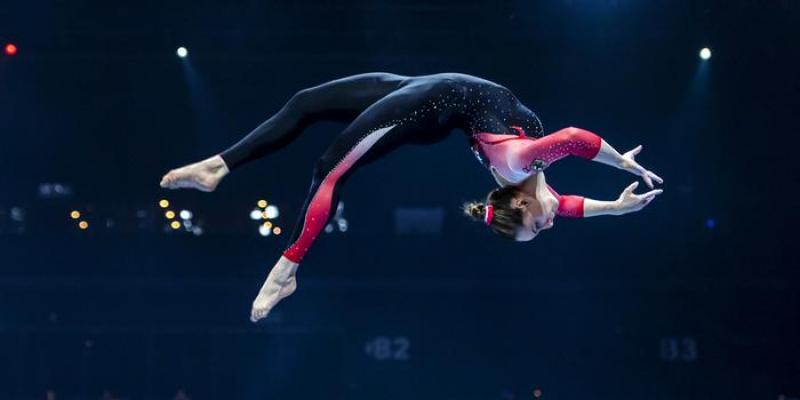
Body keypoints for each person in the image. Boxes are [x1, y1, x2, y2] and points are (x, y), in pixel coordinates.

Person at [159, 72, 663, 322]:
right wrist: (617, 200)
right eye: (542, 228)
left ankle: (286, 269)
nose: (552, 221)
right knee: (307, 103)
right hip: (433, 88)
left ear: (520, 204)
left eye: (538, 228)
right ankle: (216, 167)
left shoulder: (520, 166)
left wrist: (618, 162)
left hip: (429, 106)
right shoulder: (534, 179)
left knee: (329, 169)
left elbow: (574, 138)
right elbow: (570, 195)